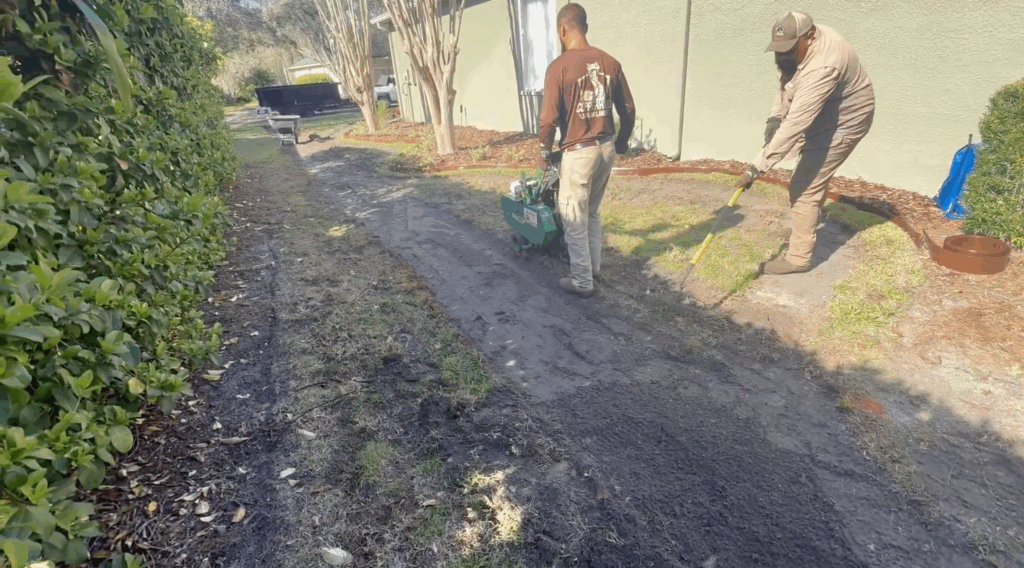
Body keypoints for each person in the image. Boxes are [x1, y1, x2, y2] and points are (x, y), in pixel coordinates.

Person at [734, 11, 875, 275]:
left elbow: (796, 123)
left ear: (809, 37)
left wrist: (756, 167)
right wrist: (775, 116)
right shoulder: (799, 48)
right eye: (779, 49)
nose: (783, 55)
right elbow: (788, 80)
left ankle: (798, 259)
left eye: (788, 48)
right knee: (811, 175)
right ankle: (809, 212)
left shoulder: (823, 66)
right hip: (826, 110)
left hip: (845, 121)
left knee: (804, 184)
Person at [538, 3, 636, 298]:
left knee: (573, 215)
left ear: (562, 30)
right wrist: (622, 140)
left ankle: (582, 281)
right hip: (606, 148)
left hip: (579, 152)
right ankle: (593, 267)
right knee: (591, 211)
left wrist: (543, 153)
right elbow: (628, 109)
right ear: (586, 28)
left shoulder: (559, 68)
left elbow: (548, 120)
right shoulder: (610, 62)